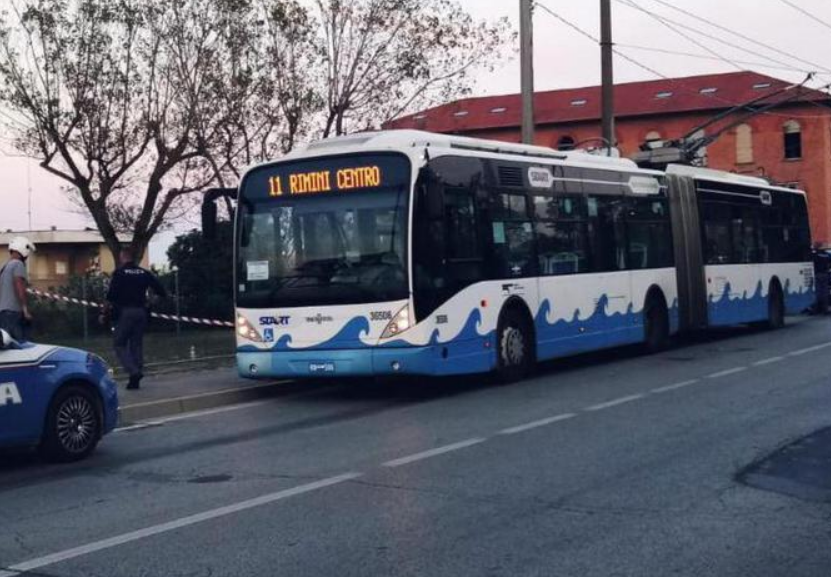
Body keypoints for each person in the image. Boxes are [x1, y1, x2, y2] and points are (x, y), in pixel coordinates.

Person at [103, 248, 167, 390]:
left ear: (122, 257)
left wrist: (103, 313)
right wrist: (150, 303)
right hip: (141, 312)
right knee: (136, 344)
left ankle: (134, 371)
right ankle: (135, 378)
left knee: (119, 344)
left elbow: (110, 296)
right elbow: (161, 291)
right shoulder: (144, 273)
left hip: (125, 312)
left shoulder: (119, 273)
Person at [0, 236, 36, 341]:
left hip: (3, 313)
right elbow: (19, 286)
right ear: (23, 249)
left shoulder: (5, 267)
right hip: (13, 313)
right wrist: (25, 310)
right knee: (21, 345)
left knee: (7, 347)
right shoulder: (18, 264)